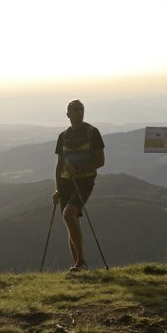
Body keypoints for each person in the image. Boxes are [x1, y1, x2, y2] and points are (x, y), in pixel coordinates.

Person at [53, 99, 104, 271]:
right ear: (67, 114)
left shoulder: (92, 132)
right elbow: (59, 165)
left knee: (69, 215)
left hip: (84, 181)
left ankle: (81, 262)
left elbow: (100, 161)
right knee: (71, 221)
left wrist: (79, 169)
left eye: (81, 108)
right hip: (66, 183)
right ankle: (78, 266)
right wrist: (57, 190)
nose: (78, 111)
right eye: (74, 109)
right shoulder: (63, 136)